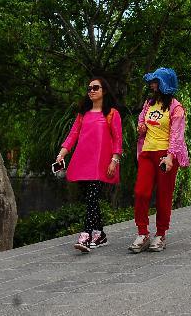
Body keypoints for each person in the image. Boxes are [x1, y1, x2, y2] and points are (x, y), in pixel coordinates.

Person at [56, 77, 122, 252]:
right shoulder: (83, 114)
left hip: (101, 164)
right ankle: (99, 234)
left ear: (104, 91)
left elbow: (117, 140)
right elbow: (73, 135)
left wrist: (114, 160)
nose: (91, 90)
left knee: (92, 197)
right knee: (91, 199)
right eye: (89, 88)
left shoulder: (112, 114)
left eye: (95, 87)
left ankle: (85, 235)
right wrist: (62, 153)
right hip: (83, 161)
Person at [130, 68, 189, 253]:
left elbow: (177, 136)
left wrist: (170, 157)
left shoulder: (176, 108)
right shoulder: (149, 103)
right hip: (147, 152)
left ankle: (161, 234)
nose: (152, 84)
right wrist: (141, 128)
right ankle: (143, 232)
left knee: (164, 195)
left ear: (165, 84)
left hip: (166, 155)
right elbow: (142, 121)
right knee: (141, 192)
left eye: (156, 81)